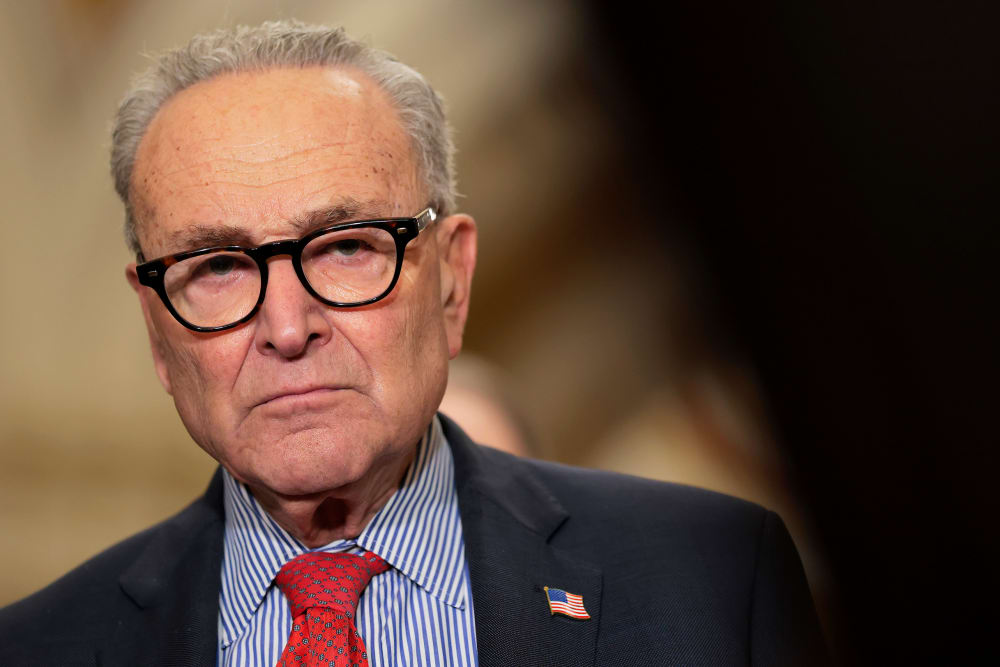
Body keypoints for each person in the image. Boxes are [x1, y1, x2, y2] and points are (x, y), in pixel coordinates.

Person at [0, 20, 827, 666]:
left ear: (453, 279)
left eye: (348, 247)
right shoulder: (42, 649)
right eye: (217, 266)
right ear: (157, 324)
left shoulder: (713, 575)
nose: (287, 328)